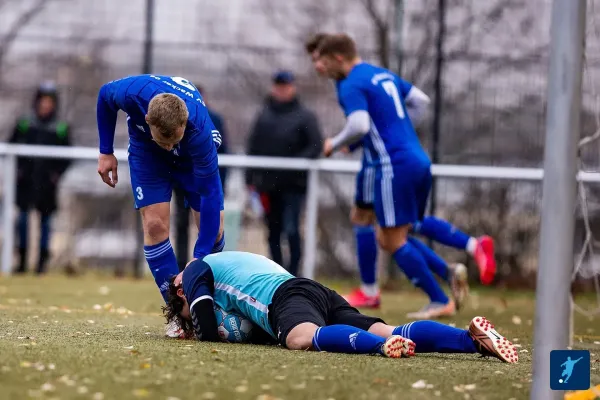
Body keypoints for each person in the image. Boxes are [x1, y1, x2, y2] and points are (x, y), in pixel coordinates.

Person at [304, 34, 496, 313]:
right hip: (415, 158)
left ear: (338, 57)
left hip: (392, 166)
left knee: (392, 238)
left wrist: (334, 143)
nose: (317, 66)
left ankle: (442, 297)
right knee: (391, 226)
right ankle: (453, 266)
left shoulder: (350, 83)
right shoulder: (379, 74)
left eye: (320, 59)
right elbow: (421, 101)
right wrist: (397, 128)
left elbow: (359, 124)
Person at [163, 251, 518, 363]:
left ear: (179, 291)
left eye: (184, 311)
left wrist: (199, 332)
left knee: (301, 338)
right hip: (313, 291)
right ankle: (471, 339)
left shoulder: (194, 270)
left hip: (285, 296)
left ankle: (380, 349)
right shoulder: (228, 266)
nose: (190, 313)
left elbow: (207, 323)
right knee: (389, 329)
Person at [96, 75, 225, 337]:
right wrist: (105, 150)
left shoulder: (199, 133)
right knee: (154, 225)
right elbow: (104, 95)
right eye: (165, 140)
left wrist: (198, 259)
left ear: (184, 122)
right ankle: (179, 315)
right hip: (147, 153)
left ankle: (214, 307)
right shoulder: (132, 93)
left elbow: (210, 193)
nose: (169, 147)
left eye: (173, 140)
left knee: (215, 232)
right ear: (147, 119)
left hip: (190, 160)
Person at [245, 71, 322, 276]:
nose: (281, 90)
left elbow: (315, 146)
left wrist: (293, 167)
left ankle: (294, 274)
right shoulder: (264, 115)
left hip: (294, 186)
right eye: (278, 86)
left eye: (285, 86)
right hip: (268, 187)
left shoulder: (305, 116)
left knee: (292, 230)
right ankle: (278, 274)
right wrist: (250, 179)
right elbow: (252, 148)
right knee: (273, 233)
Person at [10, 82, 71, 275]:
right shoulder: (25, 123)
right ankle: (21, 261)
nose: (45, 105)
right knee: (22, 221)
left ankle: (41, 264)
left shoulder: (60, 128)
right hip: (25, 183)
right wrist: (19, 171)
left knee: (45, 223)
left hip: (47, 186)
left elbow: (67, 157)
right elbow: (11, 147)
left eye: (49, 102)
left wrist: (55, 175)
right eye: (42, 101)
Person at [173, 84, 229, 271]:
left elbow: (223, 152)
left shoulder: (214, 120)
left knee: (211, 226)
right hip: (183, 180)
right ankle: (183, 266)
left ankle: (210, 267)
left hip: (206, 182)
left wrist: (222, 183)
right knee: (181, 222)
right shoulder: (175, 119)